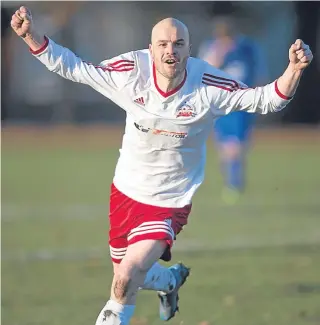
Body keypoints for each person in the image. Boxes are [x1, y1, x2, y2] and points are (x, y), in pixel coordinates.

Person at [10, 6, 313, 325]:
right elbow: (74, 67)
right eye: (164, 44)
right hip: (125, 191)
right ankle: (169, 282)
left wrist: (294, 69)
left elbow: (266, 99)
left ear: (189, 49)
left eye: (179, 44)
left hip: (170, 200)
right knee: (130, 274)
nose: (171, 50)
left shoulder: (209, 86)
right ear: (150, 48)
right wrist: (31, 35)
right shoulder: (129, 73)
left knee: (126, 277)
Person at [198, 15, 268, 203]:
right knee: (224, 147)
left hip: (242, 103)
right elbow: (203, 71)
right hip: (219, 103)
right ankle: (232, 181)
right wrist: (219, 54)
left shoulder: (247, 48)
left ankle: (234, 184)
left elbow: (259, 73)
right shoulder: (212, 47)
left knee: (236, 147)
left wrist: (260, 99)